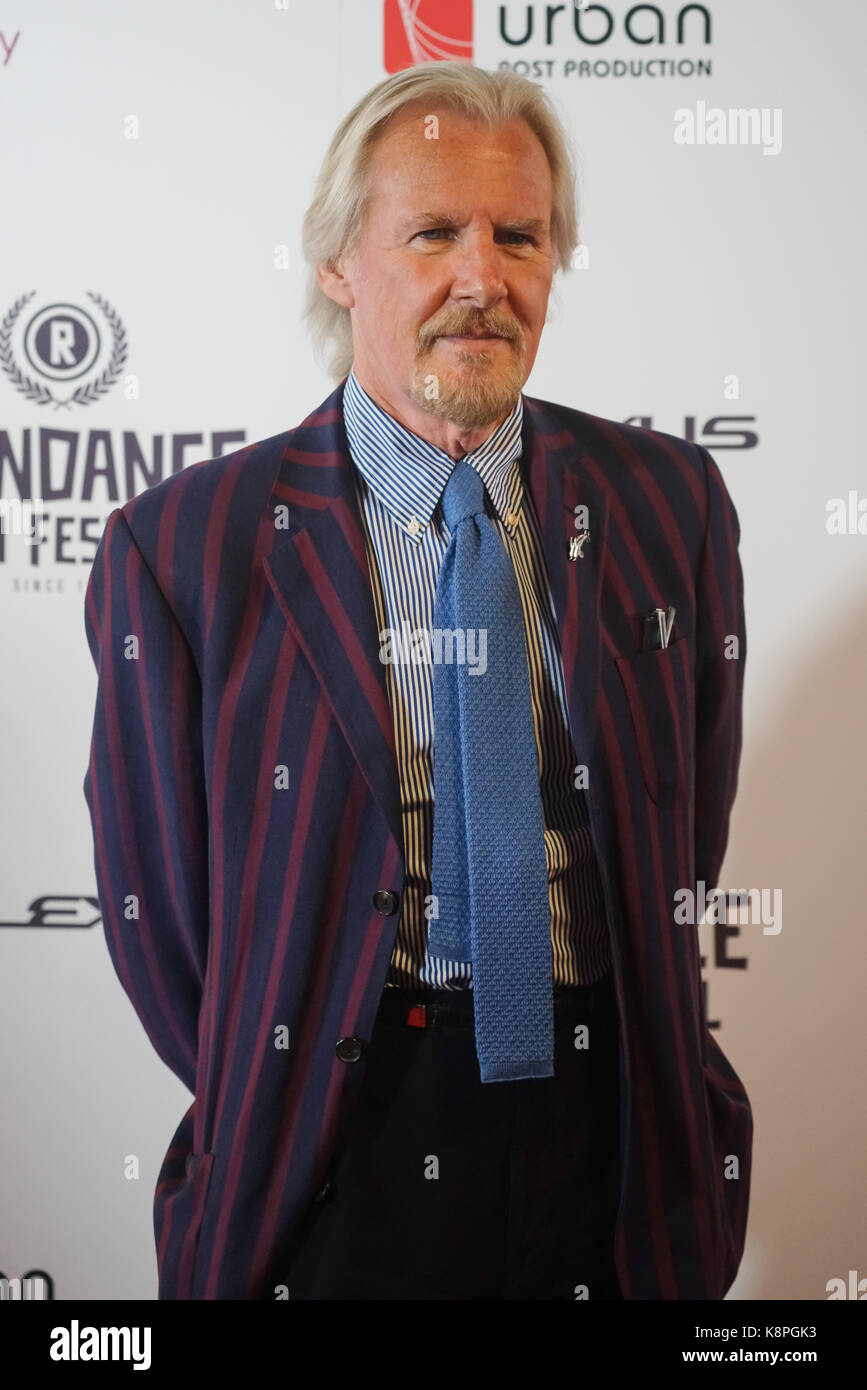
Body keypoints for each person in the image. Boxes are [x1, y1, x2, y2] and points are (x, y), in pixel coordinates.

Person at [83, 60, 752, 1301]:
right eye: (434, 232)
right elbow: (160, 915)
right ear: (338, 263)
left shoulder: (669, 504)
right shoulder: (186, 548)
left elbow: (687, 828)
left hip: (614, 1137)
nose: (481, 279)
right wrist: (283, 1069)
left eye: (520, 236)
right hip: (335, 1143)